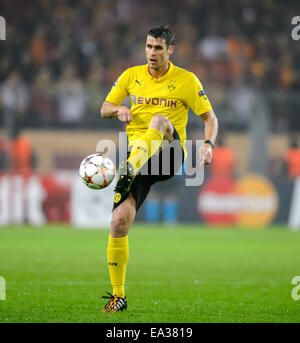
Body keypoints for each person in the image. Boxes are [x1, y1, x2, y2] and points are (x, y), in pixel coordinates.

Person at [100, 25, 218, 312]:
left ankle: (129, 169)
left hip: (168, 153)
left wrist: (208, 145)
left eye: (158, 48)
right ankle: (119, 296)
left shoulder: (187, 80)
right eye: (149, 47)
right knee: (118, 221)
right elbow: (104, 107)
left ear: (170, 50)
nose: (152, 53)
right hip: (139, 157)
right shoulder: (131, 75)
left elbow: (211, 118)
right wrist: (119, 110)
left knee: (158, 120)